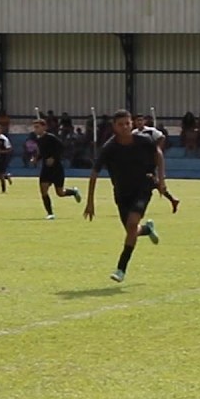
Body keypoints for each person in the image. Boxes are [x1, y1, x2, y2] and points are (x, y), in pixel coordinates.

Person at [84, 110, 162, 282]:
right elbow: (94, 174)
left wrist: (161, 181)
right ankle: (147, 229)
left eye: (127, 123)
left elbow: (158, 154)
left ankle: (121, 269)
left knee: (132, 224)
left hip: (143, 188)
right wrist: (90, 202)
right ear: (115, 127)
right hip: (121, 193)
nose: (125, 127)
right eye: (121, 124)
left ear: (132, 123)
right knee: (132, 230)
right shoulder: (109, 148)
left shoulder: (143, 141)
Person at [32, 118, 81, 219]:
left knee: (60, 193)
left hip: (56, 168)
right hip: (46, 168)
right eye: (35, 127)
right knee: (43, 191)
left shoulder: (51, 138)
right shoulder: (38, 139)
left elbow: (61, 148)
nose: (36, 129)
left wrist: (53, 158)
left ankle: (74, 192)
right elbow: (42, 152)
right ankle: (50, 213)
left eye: (38, 127)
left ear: (44, 127)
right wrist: (36, 159)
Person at [131, 114, 180, 213]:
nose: (139, 122)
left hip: (149, 161)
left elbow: (162, 137)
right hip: (140, 161)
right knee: (152, 182)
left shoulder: (150, 131)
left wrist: (156, 149)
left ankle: (136, 205)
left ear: (144, 121)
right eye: (137, 121)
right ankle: (172, 199)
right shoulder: (134, 133)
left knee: (146, 181)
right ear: (134, 122)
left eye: (141, 120)